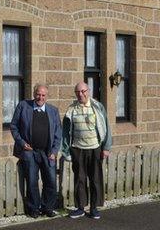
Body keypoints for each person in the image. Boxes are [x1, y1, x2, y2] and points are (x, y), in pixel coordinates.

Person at [61, 82, 112, 219]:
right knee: (79, 179)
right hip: (77, 149)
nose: (81, 94)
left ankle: (94, 208)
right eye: (78, 92)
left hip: (95, 148)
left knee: (95, 179)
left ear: (88, 91)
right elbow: (65, 132)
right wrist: (66, 150)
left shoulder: (98, 107)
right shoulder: (71, 109)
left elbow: (106, 126)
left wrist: (106, 147)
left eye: (83, 91)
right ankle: (80, 207)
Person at [10, 83, 62, 218]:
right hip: (30, 152)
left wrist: (55, 151)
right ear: (34, 94)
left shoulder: (53, 111)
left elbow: (58, 133)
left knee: (50, 181)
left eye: (43, 95)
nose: (40, 97)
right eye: (38, 94)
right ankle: (34, 208)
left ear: (47, 96)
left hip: (47, 152)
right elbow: (14, 126)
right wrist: (21, 143)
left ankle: (47, 207)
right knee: (32, 182)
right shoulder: (23, 106)